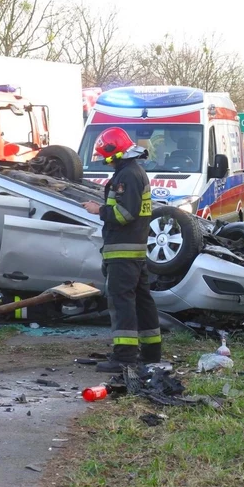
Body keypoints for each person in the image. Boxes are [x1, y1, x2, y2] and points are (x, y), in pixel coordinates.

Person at [81, 127, 160, 372]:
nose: (106, 161)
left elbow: (124, 214)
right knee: (141, 301)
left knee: (122, 302)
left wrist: (99, 210)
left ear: (114, 152)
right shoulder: (134, 172)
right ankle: (150, 352)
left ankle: (124, 357)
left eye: (106, 156)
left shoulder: (127, 175)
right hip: (134, 250)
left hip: (123, 252)